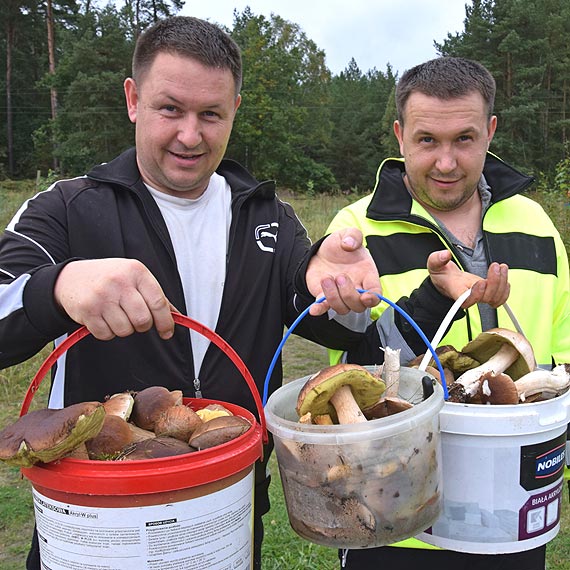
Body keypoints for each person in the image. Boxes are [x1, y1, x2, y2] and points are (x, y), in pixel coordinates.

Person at [0, 20, 508, 569]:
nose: (190, 135)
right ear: (132, 99)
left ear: (235, 109)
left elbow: (336, 328)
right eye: (171, 109)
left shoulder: (267, 218)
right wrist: (58, 286)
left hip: (228, 515)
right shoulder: (68, 210)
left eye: (211, 114)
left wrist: (336, 287)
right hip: (99, 524)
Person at [326, 56, 570, 570]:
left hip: (511, 508)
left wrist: (551, 467)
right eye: (427, 141)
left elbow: (562, 359)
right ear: (399, 135)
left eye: (464, 138)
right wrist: (433, 297)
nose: (446, 162)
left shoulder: (535, 223)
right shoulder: (356, 232)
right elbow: (354, 374)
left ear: (490, 130)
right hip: (399, 521)